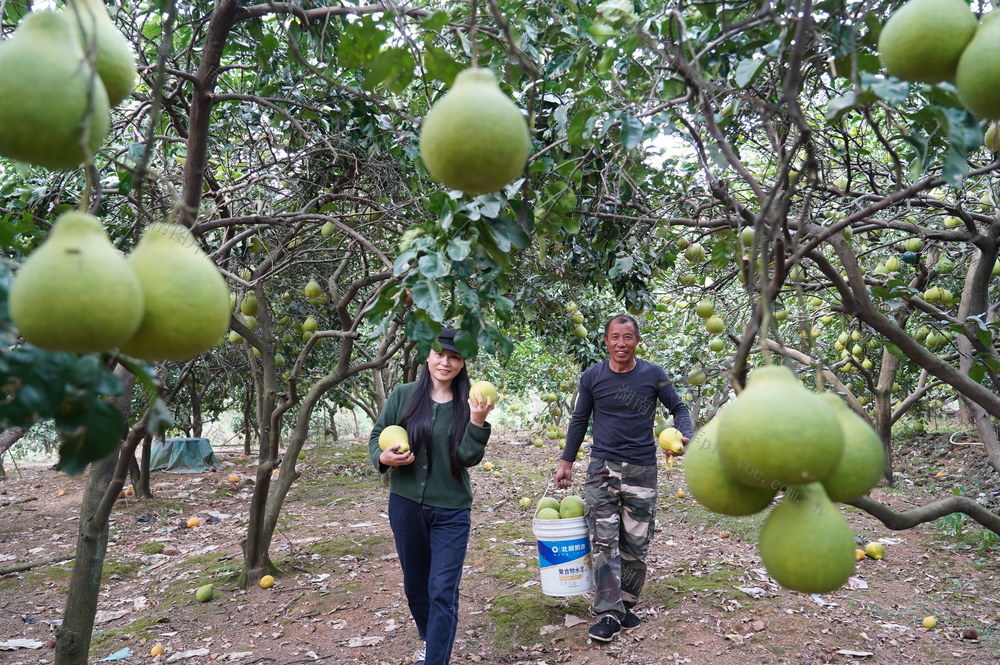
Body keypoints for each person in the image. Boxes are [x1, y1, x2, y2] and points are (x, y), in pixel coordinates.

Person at [554, 314, 694, 642]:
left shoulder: (653, 375)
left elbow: (680, 409)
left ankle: (625, 603)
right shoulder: (592, 377)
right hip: (602, 469)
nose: (621, 344)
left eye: (627, 337)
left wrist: (684, 436)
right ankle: (607, 612)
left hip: (642, 469)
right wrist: (566, 462)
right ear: (605, 341)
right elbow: (579, 420)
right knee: (603, 541)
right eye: (615, 337)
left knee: (635, 543)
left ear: (637, 341)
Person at [368, 328, 494, 665]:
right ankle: (433, 635)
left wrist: (478, 422)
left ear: (462, 362)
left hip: (451, 510)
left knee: (442, 591)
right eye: (440, 354)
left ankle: (435, 657)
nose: (445, 362)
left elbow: (468, 457)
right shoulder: (404, 395)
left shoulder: (470, 403)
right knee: (416, 588)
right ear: (428, 355)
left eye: (454, 356)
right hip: (406, 505)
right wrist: (383, 458)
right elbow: (378, 435)